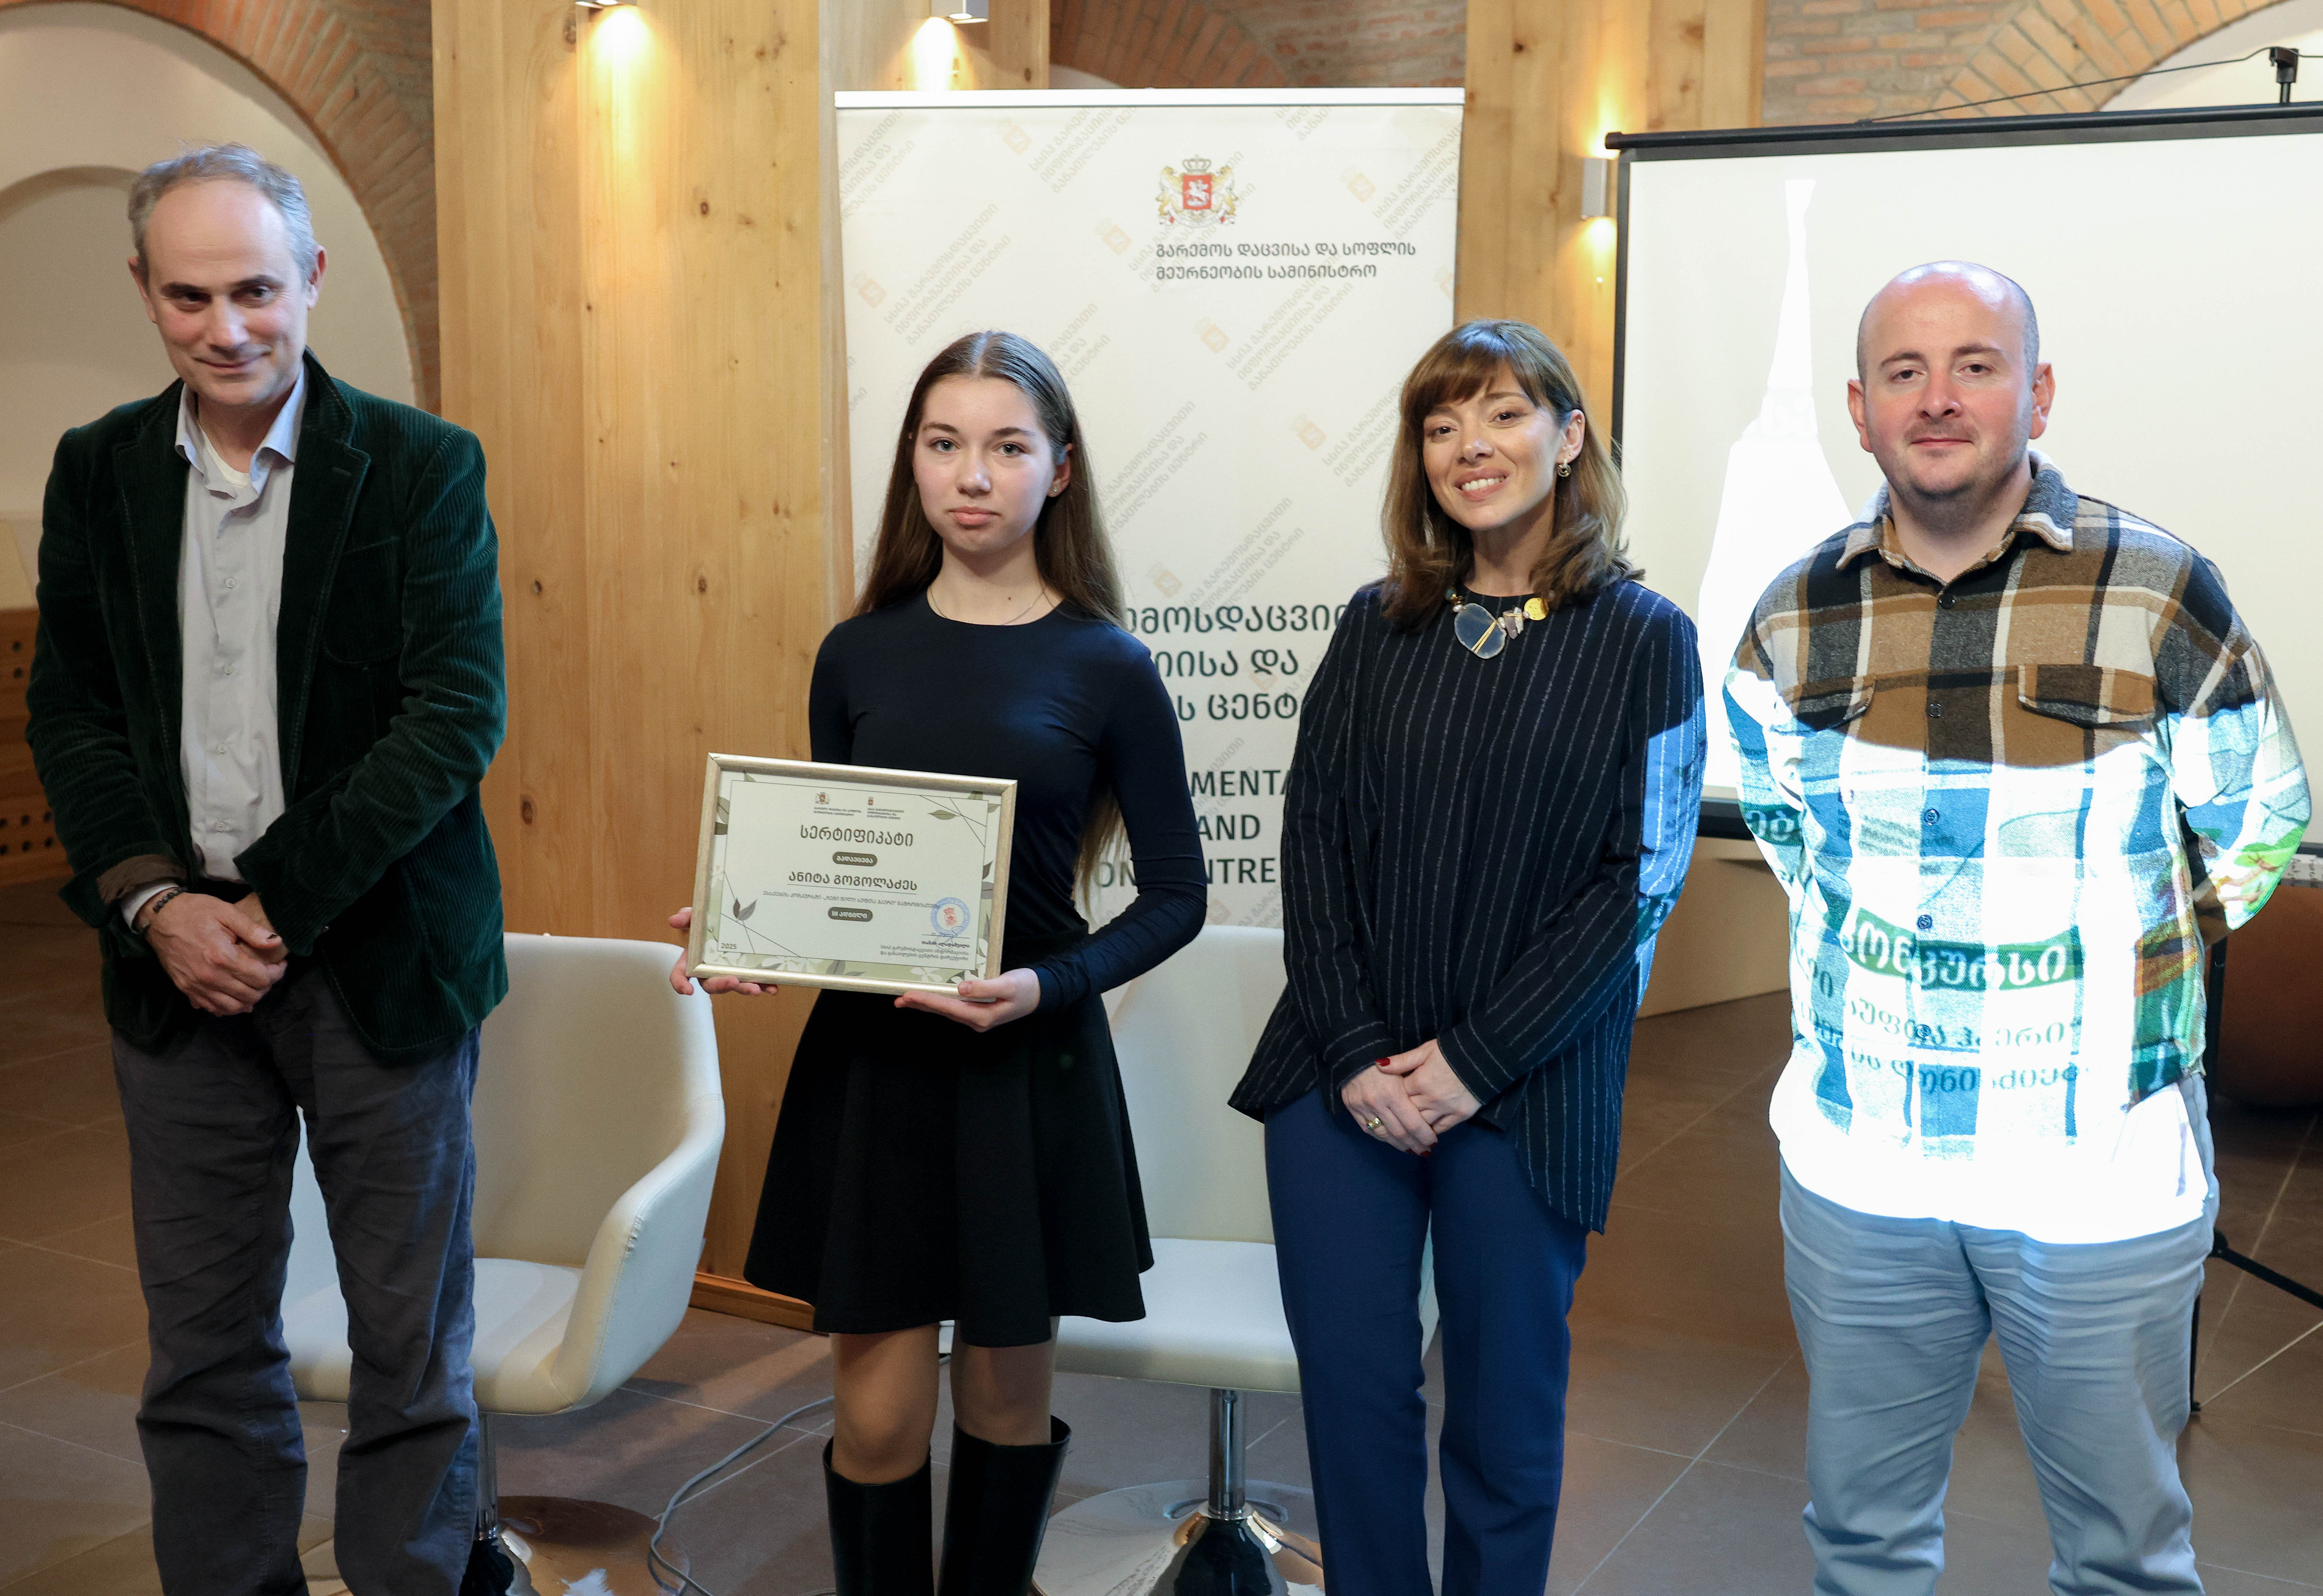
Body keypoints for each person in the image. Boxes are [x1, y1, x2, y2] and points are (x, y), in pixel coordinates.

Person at [1725, 261, 2309, 1596]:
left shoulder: (2158, 589)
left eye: (1976, 365)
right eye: (1905, 371)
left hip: (2096, 1169)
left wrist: (2134, 955)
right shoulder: (1793, 616)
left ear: (2037, 394)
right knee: (1862, 1544)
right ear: (1861, 409)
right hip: (1863, 1164)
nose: (1939, 398)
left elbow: (2263, 824)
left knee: (2123, 1559)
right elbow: (1792, 840)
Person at [25, 144, 508, 1596]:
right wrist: (158, 903)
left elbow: (451, 718)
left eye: (254, 288)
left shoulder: (422, 466)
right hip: (174, 970)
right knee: (202, 1346)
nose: (226, 327)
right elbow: (73, 711)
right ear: (143, 290)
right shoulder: (98, 468)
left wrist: (271, 905)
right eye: (189, 296)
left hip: (379, 961)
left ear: (312, 277)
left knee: (409, 1346)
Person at [666, 330, 1205, 1596]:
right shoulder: (857, 653)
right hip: (880, 1072)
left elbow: (1179, 895)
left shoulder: (1109, 664)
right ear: (913, 461)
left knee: (1007, 1411)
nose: (974, 475)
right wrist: (750, 931)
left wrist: (1047, 987)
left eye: (1008, 447)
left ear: (1060, 469)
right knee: (876, 1424)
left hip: (1030, 1065)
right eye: (945, 443)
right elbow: (845, 878)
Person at [1229, 319, 1704, 1596]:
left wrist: (1473, 1063)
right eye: (1440, 426)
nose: (1469, 447)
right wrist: (1355, 1054)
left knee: (1503, 1416)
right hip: (1343, 1073)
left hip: (1529, 1086)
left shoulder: (1646, 637)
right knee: (1354, 1401)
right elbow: (1314, 841)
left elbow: (1643, 878)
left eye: (1501, 413)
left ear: (1569, 435)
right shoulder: (1374, 625)